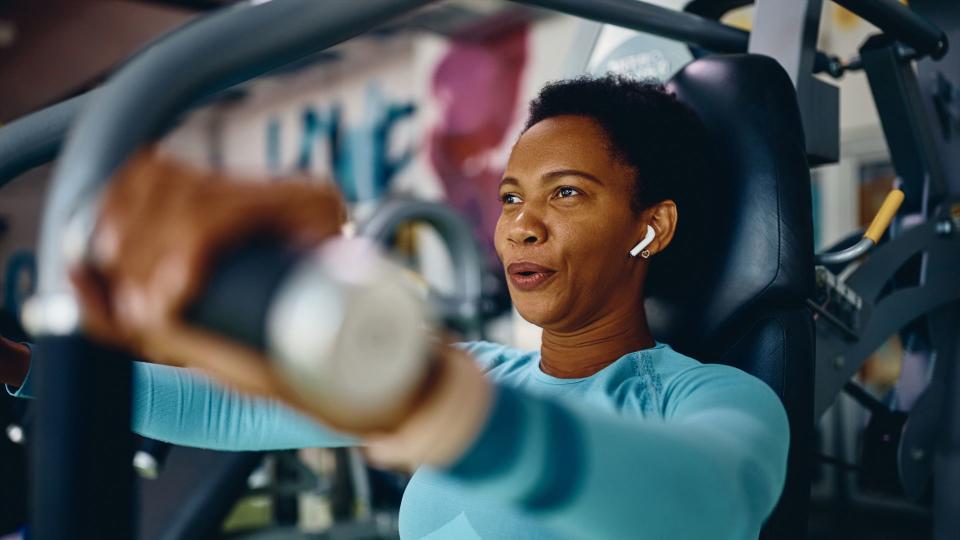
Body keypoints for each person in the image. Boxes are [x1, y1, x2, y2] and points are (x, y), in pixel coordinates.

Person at [2, 75, 789, 540]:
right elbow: (233, 416)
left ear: (650, 226)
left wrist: (431, 405)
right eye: (512, 196)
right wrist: (28, 369)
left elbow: (708, 504)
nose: (521, 222)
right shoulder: (480, 370)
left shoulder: (718, 401)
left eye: (567, 194)